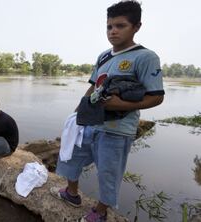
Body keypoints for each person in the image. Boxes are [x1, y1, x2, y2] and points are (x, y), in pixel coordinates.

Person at [50, 1, 164, 221]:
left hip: (117, 130)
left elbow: (156, 97)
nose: (113, 31)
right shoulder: (104, 56)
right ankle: (71, 194)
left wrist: (121, 105)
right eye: (109, 26)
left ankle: (100, 213)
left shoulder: (146, 57)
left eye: (120, 26)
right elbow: (94, 85)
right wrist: (76, 114)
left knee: (108, 174)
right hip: (91, 122)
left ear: (137, 27)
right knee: (70, 156)